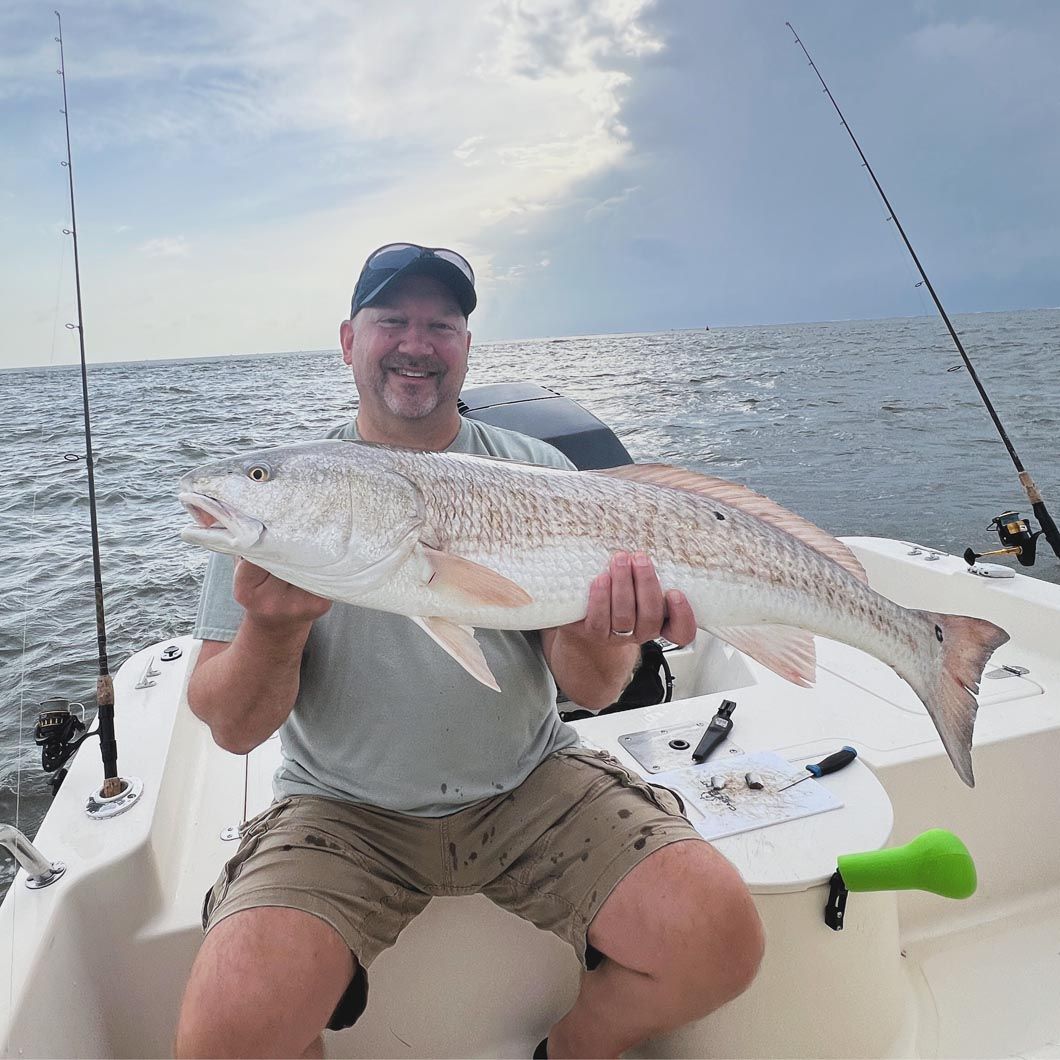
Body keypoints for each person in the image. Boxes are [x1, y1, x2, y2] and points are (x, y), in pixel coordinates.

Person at [175, 242, 764, 1059]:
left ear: (465, 347)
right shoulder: (289, 501)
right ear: (349, 340)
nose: (416, 343)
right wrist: (273, 629)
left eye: (441, 325)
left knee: (720, 939)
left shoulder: (539, 473)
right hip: (343, 807)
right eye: (393, 321)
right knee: (225, 1035)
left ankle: (571, 1049)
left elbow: (592, 692)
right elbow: (232, 728)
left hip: (530, 781)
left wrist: (606, 628)